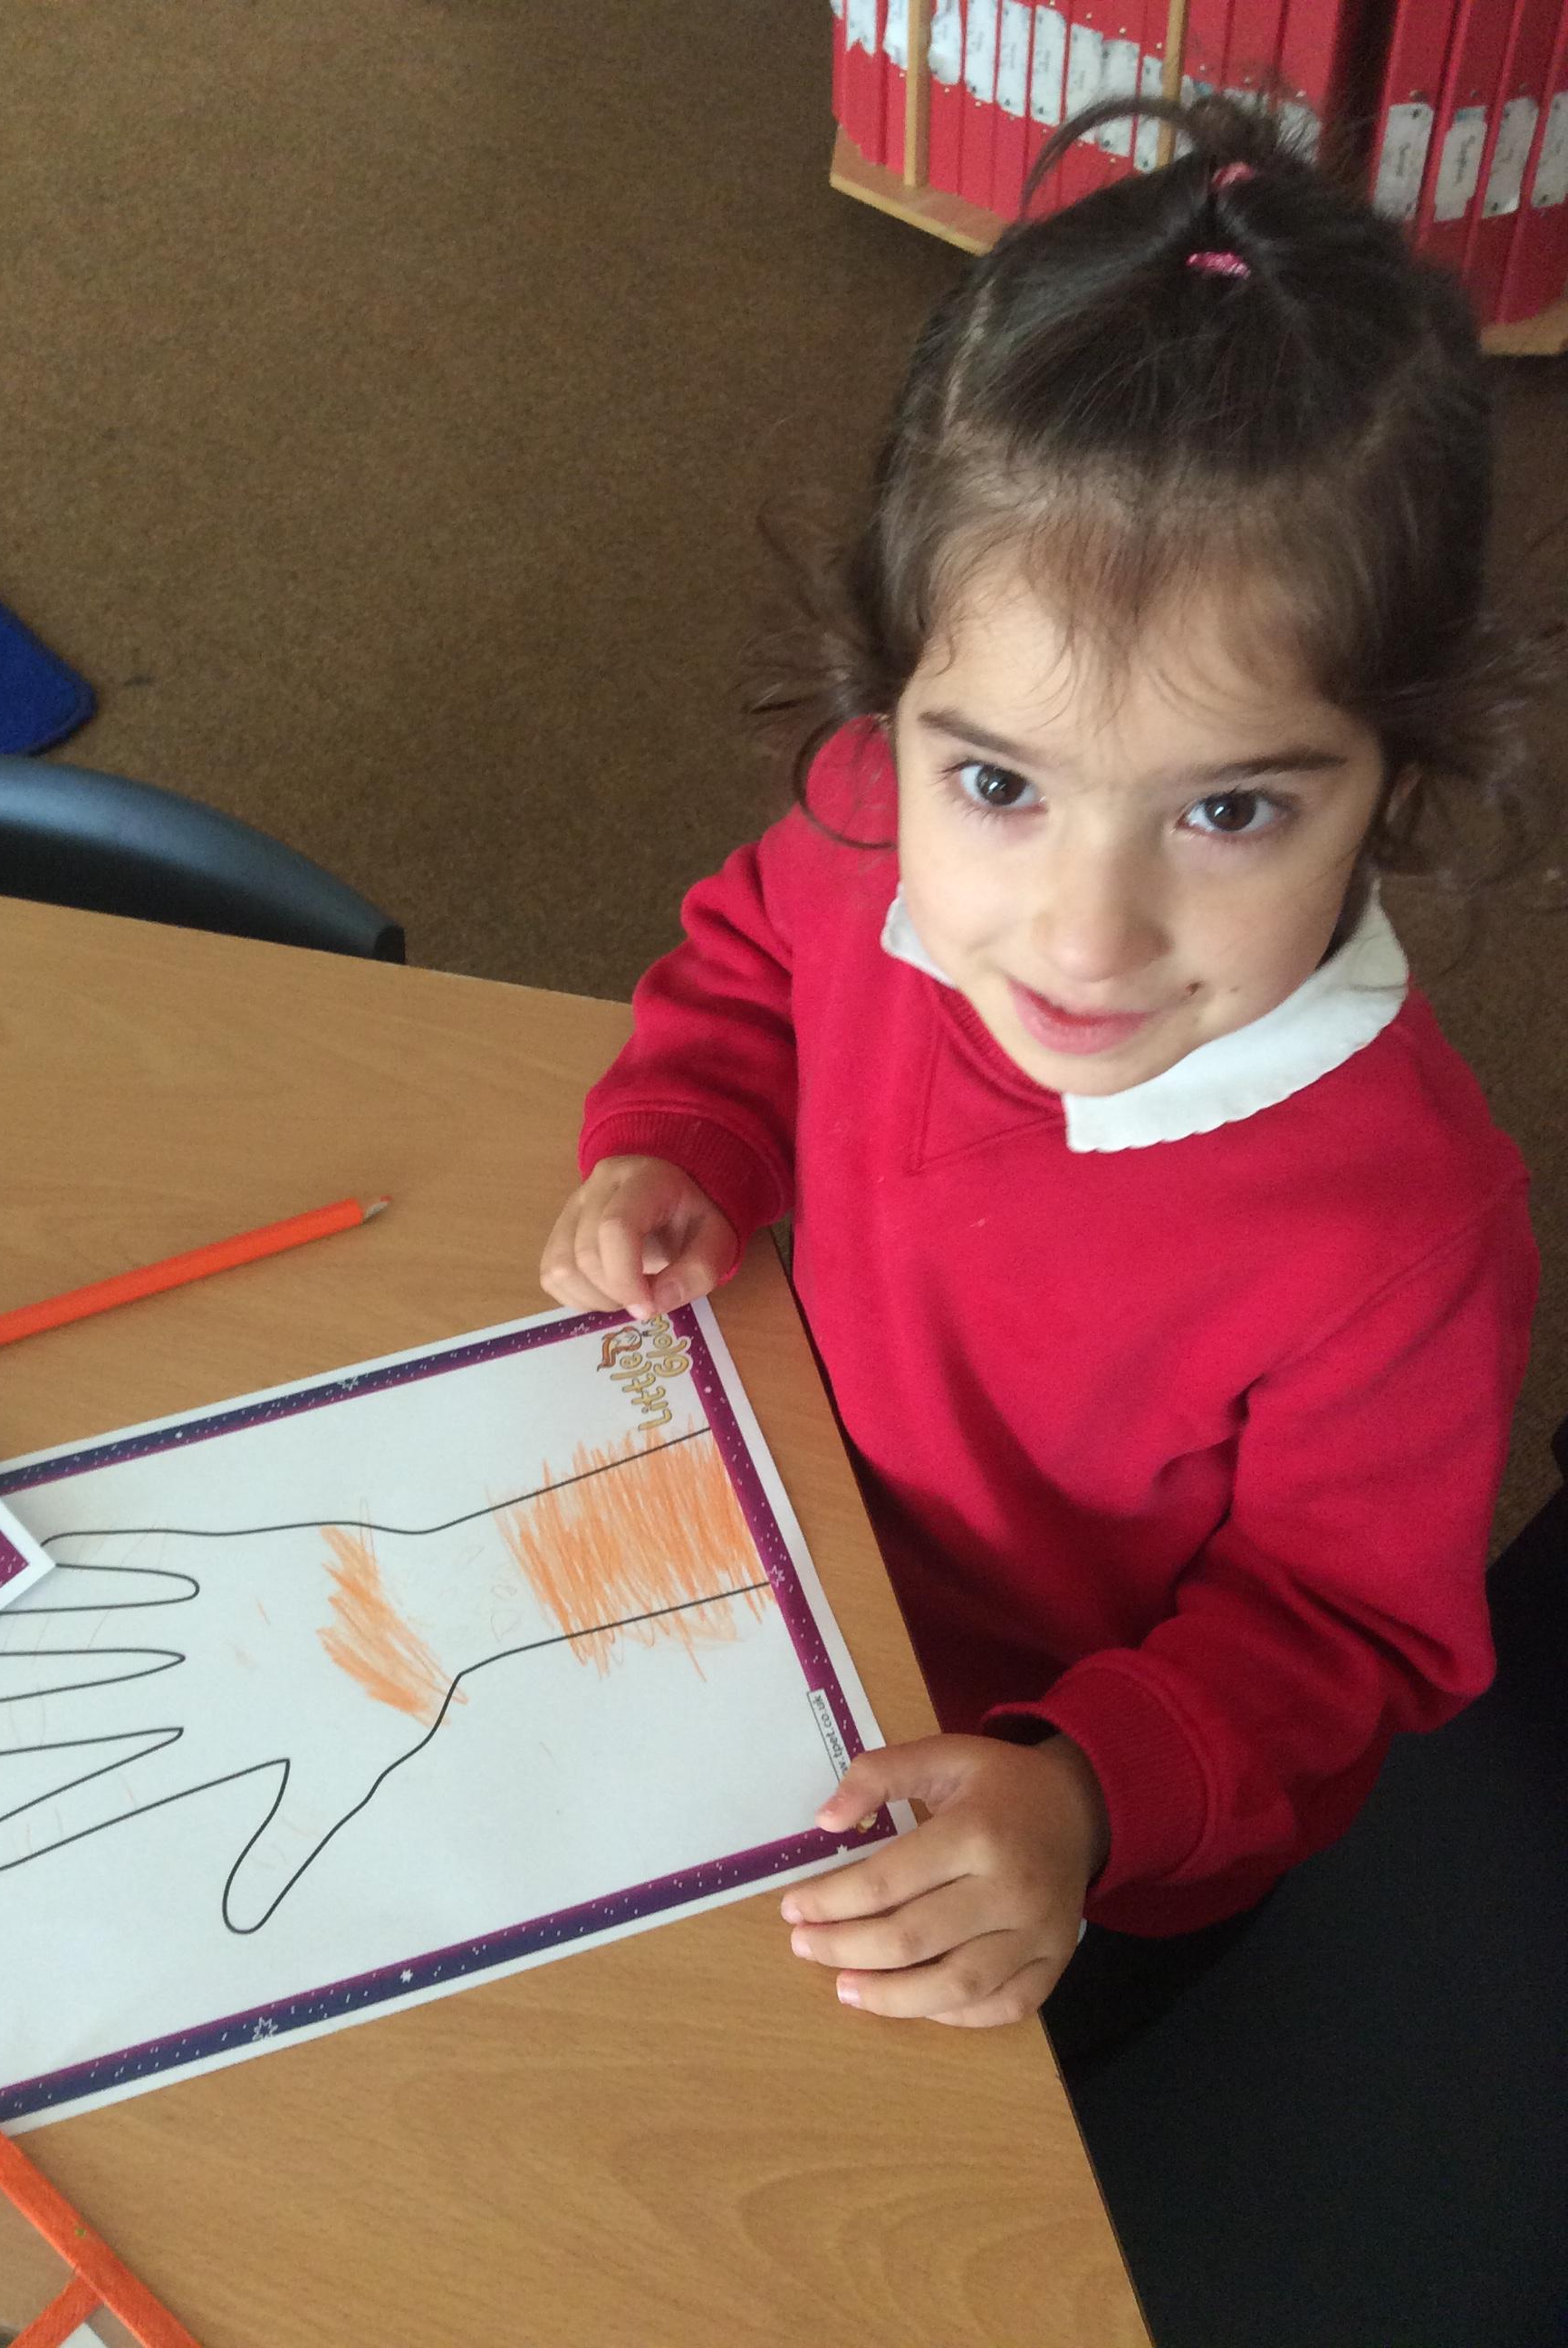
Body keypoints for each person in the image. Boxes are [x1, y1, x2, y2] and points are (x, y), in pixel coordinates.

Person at [538, 91, 1551, 2074]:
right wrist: (683, 1137)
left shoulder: (1404, 1233)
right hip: (778, 1591)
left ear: (1398, 776)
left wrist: (1084, 1798)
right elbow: (747, 968)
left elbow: (1345, 1631)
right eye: (998, 781)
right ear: (894, 700)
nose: (1082, 939)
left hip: (1078, 1833)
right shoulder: (865, 827)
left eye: (1229, 809)